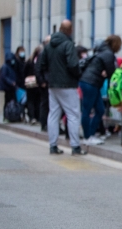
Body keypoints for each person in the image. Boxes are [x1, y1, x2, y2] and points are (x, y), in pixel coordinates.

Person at [37, 19, 87, 156]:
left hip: (53, 85)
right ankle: (75, 147)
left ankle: (53, 146)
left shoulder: (48, 46)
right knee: (73, 115)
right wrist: (77, 74)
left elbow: (40, 65)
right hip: (68, 85)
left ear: (59, 28)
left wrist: (46, 78)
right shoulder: (68, 44)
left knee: (53, 115)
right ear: (70, 30)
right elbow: (72, 64)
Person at [80, 35, 121, 145]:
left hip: (88, 81)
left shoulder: (101, 51)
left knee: (99, 109)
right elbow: (111, 72)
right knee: (88, 110)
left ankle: (90, 135)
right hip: (92, 82)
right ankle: (88, 136)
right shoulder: (108, 54)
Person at [24, 47, 43, 125]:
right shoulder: (38, 61)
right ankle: (35, 117)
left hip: (30, 84)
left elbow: (24, 72)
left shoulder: (29, 61)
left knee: (32, 101)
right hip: (35, 84)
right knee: (36, 101)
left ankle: (33, 117)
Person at [0, 52, 18, 122]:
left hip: (12, 87)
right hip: (8, 87)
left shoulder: (12, 66)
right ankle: (6, 116)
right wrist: (11, 82)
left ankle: (11, 115)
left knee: (12, 102)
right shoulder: (5, 67)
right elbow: (4, 77)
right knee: (7, 102)